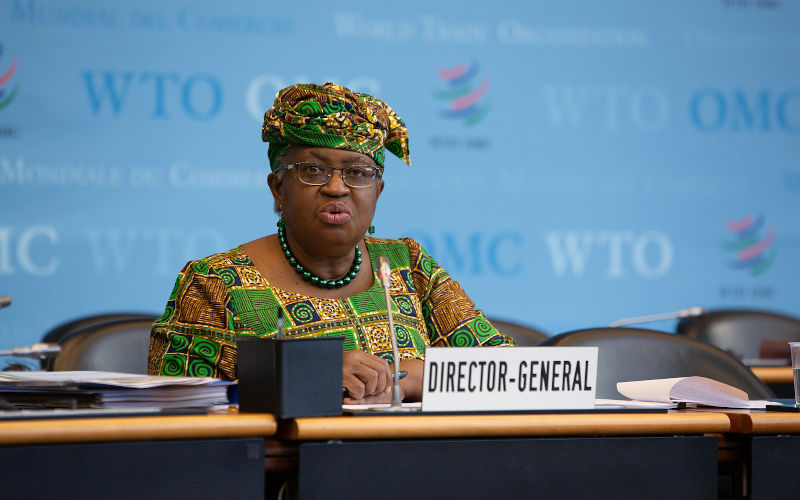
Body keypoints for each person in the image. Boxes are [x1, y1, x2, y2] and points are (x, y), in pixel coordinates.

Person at [148, 82, 515, 404]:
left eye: (357, 172)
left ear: (378, 191)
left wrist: (409, 377)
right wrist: (309, 376)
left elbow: (506, 373)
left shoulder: (408, 264)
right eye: (313, 170)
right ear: (278, 188)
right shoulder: (216, 282)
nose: (336, 187)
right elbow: (175, 407)